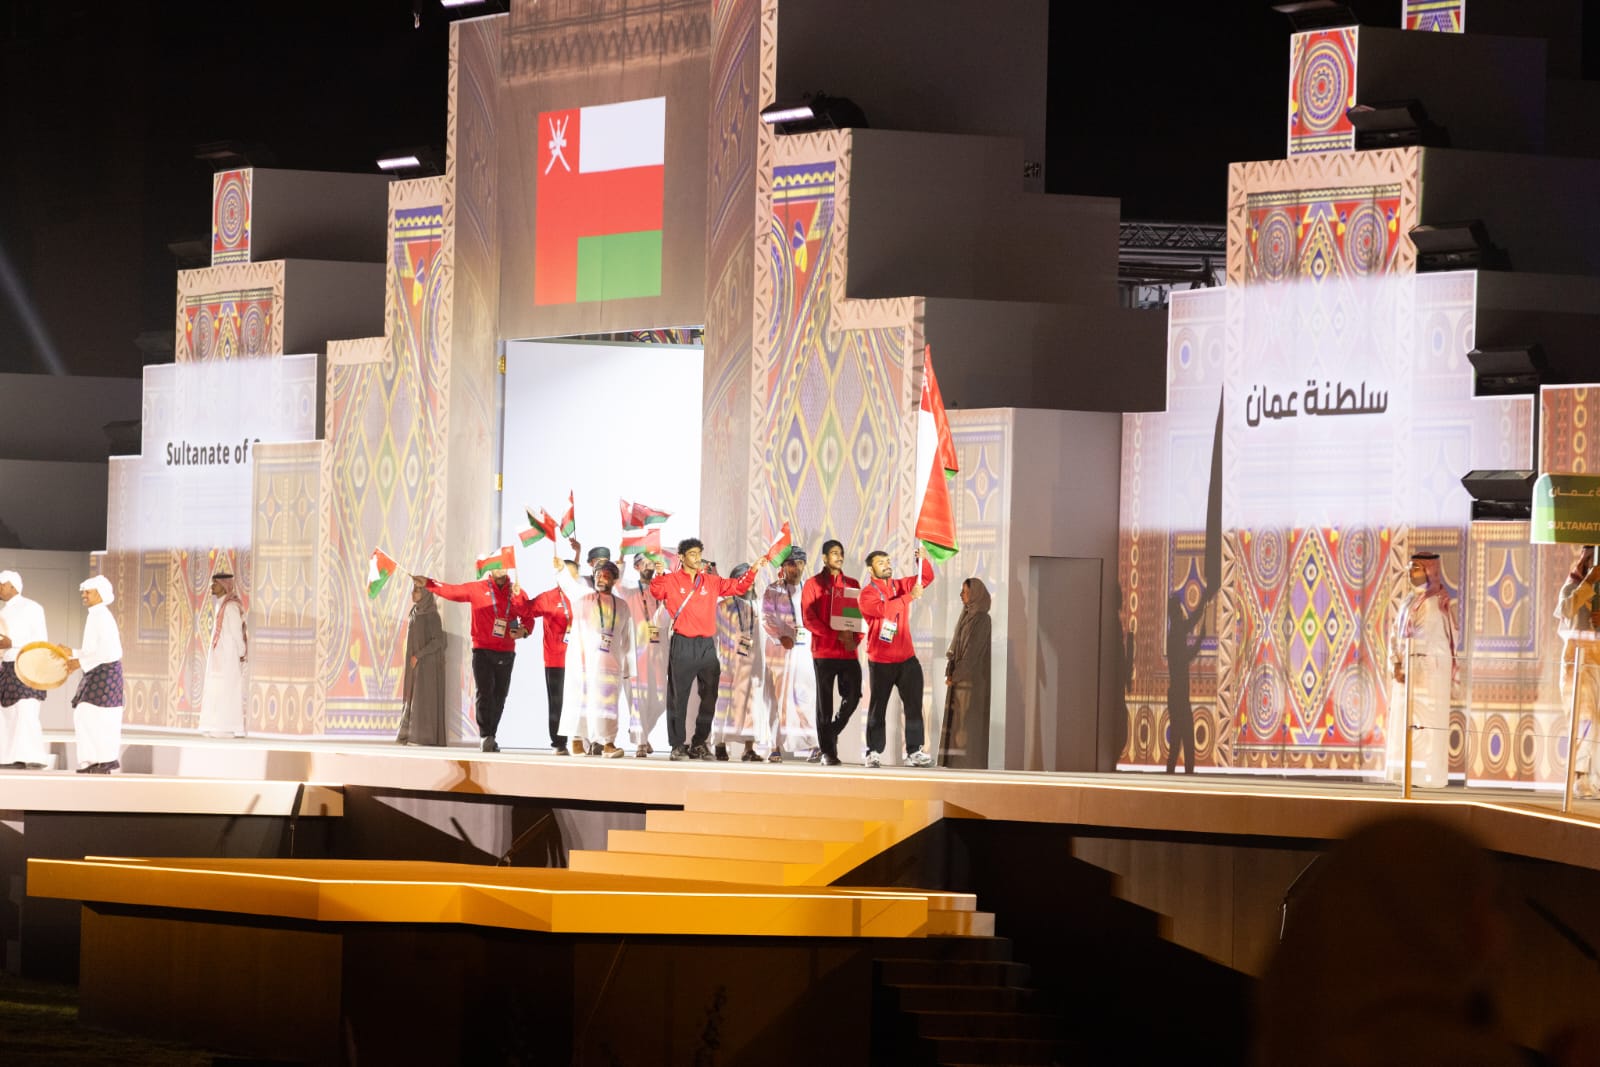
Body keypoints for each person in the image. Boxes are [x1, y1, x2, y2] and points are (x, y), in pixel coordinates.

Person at [649, 537, 762, 761]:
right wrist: (659, 574)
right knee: (678, 697)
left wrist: (754, 569)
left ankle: (699, 742)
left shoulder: (710, 581)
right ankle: (677, 745)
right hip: (683, 643)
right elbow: (657, 592)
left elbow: (738, 586)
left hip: (706, 646)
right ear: (681, 557)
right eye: (692, 554)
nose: (697, 558)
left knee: (710, 695)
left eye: (699, 554)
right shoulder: (671, 580)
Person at [418, 557, 531, 753]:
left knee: (499, 697)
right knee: (484, 693)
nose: (500, 568)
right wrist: (429, 583)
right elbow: (453, 592)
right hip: (482, 650)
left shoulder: (517, 592)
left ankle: (491, 735)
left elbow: (528, 617)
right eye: (496, 565)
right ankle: (486, 736)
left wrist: (524, 631)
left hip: (506, 651)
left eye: (503, 565)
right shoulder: (477, 589)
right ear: (490, 569)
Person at [858, 550, 936, 768]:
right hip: (881, 660)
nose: (886, 565)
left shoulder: (899, 585)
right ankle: (873, 752)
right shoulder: (866, 594)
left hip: (906, 658)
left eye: (888, 561)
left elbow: (926, 578)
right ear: (870, 569)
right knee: (878, 707)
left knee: (913, 706)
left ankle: (914, 751)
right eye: (880, 563)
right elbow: (885, 610)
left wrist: (921, 559)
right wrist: (910, 597)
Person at [1386, 551, 1456, 789]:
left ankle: (1425, 777)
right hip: (1406, 673)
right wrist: (1396, 663)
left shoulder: (1437, 602)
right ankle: (1406, 775)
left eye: (1415, 568)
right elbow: (1396, 634)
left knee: (1425, 728)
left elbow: (1437, 640)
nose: (1410, 573)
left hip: (1427, 677)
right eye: (1409, 568)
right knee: (1404, 725)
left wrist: (1414, 666)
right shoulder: (1409, 600)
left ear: (1429, 571)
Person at [553, 555, 632, 757]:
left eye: (606, 576)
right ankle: (577, 741)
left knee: (608, 705)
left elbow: (627, 639)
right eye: (597, 575)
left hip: (609, 665)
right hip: (583, 663)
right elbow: (568, 584)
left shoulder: (622, 606)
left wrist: (628, 668)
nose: (600, 579)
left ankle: (608, 744)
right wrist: (561, 569)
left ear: (614, 580)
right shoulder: (583, 597)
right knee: (580, 700)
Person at [802, 539, 862, 767]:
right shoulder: (813, 584)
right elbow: (808, 619)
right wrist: (834, 635)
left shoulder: (851, 584)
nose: (839, 556)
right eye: (834, 553)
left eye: (841, 552)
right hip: (824, 652)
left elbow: (857, 618)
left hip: (847, 653)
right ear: (825, 558)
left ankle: (832, 731)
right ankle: (828, 752)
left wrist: (855, 640)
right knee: (824, 704)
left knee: (853, 696)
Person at [761, 547, 818, 763]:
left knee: (807, 696)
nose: (796, 568)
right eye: (791, 564)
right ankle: (775, 745)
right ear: (784, 567)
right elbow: (767, 617)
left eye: (800, 563)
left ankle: (813, 744)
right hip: (780, 651)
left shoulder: (809, 588)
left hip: (805, 650)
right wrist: (781, 636)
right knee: (778, 698)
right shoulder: (773, 590)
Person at [65, 576, 124, 773]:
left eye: (87, 592)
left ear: (99, 594)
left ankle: (105, 760)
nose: (84, 595)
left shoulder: (102, 616)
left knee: (99, 716)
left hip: (106, 673)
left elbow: (108, 651)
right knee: (85, 714)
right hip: (97, 671)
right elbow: (92, 651)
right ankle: (93, 761)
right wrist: (72, 653)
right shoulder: (95, 615)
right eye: (83, 592)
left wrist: (78, 662)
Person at [1556, 546, 1600, 798]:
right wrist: (1589, 582)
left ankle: (1594, 778)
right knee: (1584, 718)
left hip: (1597, 660)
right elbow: (1565, 610)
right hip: (1577, 661)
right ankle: (1579, 776)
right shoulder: (1572, 587)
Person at [525, 551, 578, 755]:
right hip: (556, 660)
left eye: (573, 574)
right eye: (566, 574)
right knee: (558, 703)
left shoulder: (584, 596)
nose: (570, 578)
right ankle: (559, 743)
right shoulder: (548, 597)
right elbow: (526, 610)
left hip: (580, 660)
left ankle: (583, 741)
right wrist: (518, 594)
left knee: (580, 703)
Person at [712, 563, 764, 760]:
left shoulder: (756, 607)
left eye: (751, 580)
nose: (750, 584)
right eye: (745, 579)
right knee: (723, 704)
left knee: (750, 706)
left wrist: (758, 667)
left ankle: (748, 748)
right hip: (726, 665)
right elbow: (713, 636)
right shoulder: (722, 607)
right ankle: (720, 744)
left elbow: (758, 639)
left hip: (749, 666)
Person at [0, 569, 50, 769]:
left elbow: (40, 639)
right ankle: (9, 758)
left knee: (25, 711)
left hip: (27, 665)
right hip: (6, 668)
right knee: (8, 713)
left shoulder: (32, 607)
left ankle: (30, 756)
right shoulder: (2, 613)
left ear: (13, 586)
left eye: (2, 584)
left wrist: (12, 642)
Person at [941, 576, 992, 768]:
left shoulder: (982, 619)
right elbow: (956, 647)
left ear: (975, 594)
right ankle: (954, 766)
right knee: (956, 726)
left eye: (966, 591)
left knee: (967, 726)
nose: (961, 595)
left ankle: (967, 768)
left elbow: (972, 653)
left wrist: (956, 675)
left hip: (971, 683)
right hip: (959, 681)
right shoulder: (966, 616)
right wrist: (951, 672)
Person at [620, 552, 668, 757]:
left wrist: (663, 577)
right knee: (638, 699)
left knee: (661, 700)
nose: (649, 566)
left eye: (652, 563)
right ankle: (640, 742)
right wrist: (620, 558)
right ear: (636, 567)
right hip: (636, 654)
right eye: (645, 563)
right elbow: (617, 582)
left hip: (659, 653)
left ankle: (641, 731)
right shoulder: (629, 590)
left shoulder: (662, 590)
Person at [1165, 584, 1214, 775]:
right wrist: (1200, 640)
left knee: (1179, 743)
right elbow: (1186, 657)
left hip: (1177, 696)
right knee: (1186, 742)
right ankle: (1186, 779)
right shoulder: (1176, 634)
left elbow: (1193, 620)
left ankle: (1175, 779)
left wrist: (1204, 600)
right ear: (1175, 614)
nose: (1181, 612)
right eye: (1179, 610)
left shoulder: (1176, 632)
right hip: (1179, 698)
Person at [198, 572, 248, 738]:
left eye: (215, 584)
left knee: (228, 691)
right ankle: (215, 725)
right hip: (220, 657)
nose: (212, 587)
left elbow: (236, 633)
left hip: (229, 657)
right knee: (217, 690)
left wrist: (241, 652)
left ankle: (228, 727)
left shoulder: (231, 607)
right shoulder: (221, 605)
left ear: (224, 585)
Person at [396, 585, 447, 746]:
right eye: (413, 590)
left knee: (425, 700)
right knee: (412, 697)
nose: (413, 593)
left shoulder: (432, 615)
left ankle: (425, 738)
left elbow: (438, 641)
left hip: (427, 666)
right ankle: (409, 735)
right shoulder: (415, 612)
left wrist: (419, 655)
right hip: (415, 665)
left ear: (425, 593)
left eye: (417, 590)